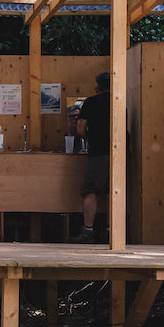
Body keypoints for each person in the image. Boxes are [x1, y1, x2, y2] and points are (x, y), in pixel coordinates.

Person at [71, 71, 111, 244]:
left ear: (96, 88)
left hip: (98, 152)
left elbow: (80, 129)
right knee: (113, 192)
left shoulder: (91, 102)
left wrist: (90, 140)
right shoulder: (120, 100)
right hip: (121, 154)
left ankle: (88, 231)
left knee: (90, 190)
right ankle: (112, 232)